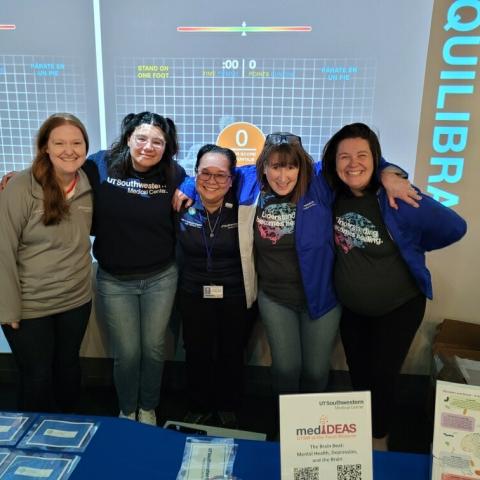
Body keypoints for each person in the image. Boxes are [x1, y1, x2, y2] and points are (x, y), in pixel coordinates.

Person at [175, 133, 417, 424]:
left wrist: (389, 174)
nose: (282, 175)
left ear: (302, 166)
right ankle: (287, 427)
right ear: (263, 167)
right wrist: (187, 183)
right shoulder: (251, 182)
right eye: (276, 166)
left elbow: (353, 166)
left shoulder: (318, 182)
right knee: (286, 370)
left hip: (321, 298)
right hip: (275, 298)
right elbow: (213, 174)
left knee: (315, 371)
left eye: (290, 167)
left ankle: (311, 429)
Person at [321, 122, 467, 450]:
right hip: (353, 309)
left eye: (362, 155)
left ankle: (379, 441)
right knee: (359, 374)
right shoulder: (332, 194)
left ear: (376, 159)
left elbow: (455, 227)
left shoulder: (394, 196)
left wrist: (412, 242)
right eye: (344, 157)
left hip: (398, 307)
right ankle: (361, 436)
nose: (352, 163)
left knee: (383, 376)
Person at [82, 112, 185, 425]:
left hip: (160, 278)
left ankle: (148, 407)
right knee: (127, 353)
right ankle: (127, 409)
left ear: (166, 147)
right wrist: (19, 176)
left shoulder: (174, 174)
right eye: (141, 138)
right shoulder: (98, 164)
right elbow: (61, 174)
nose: (148, 146)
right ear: (128, 138)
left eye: (158, 141)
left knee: (153, 350)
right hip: (115, 280)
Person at [0, 113, 93, 413]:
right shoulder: (20, 187)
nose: (69, 150)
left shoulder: (88, 180)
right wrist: (7, 307)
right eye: (60, 143)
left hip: (75, 300)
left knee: (68, 370)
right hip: (30, 305)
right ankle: (31, 450)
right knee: (37, 378)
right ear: (45, 148)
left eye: (77, 142)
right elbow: (3, 248)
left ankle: (69, 435)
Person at [176, 144, 255, 428]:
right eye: (205, 174)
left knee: (231, 351)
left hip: (235, 293)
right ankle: (198, 405)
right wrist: (186, 183)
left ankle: (228, 405)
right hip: (193, 292)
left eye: (221, 175)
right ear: (195, 175)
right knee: (196, 351)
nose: (212, 181)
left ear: (232, 179)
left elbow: (258, 168)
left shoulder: (245, 205)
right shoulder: (182, 204)